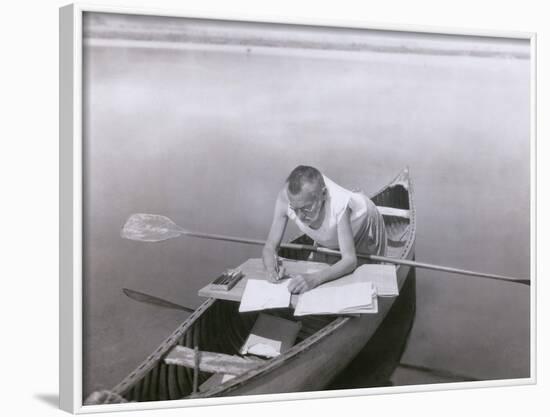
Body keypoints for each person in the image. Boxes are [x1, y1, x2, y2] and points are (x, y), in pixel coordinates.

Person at [262, 165, 387, 294]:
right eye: (295, 209)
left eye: (306, 208)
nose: (299, 217)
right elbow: (270, 246)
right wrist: (271, 268)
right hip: (331, 231)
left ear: (323, 194)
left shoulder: (338, 203)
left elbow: (350, 260)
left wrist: (314, 279)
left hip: (363, 227)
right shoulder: (286, 198)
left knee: (363, 283)